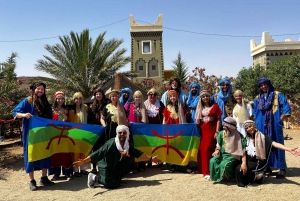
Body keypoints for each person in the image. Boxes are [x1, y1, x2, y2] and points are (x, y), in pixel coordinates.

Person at [73, 125, 161, 189]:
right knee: (111, 185)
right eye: (120, 132)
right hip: (105, 165)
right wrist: (84, 161)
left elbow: (138, 153)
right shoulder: (111, 143)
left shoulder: (127, 145)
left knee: (130, 163)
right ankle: (94, 177)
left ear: (127, 134)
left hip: (116, 164)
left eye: (124, 133)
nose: (122, 134)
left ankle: (116, 179)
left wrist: (151, 158)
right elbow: (98, 153)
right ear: (117, 134)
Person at [13, 82, 54, 191]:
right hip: (31, 135)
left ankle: (44, 178)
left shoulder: (46, 103)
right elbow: (15, 112)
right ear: (34, 89)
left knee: (45, 155)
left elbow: (49, 119)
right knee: (31, 156)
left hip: (44, 135)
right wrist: (24, 115)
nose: (40, 91)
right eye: (38, 89)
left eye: (42, 89)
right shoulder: (28, 101)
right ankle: (32, 181)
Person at [235, 120, 300, 187]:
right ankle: (257, 177)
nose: (249, 129)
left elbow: (275, 144)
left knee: (244, 171)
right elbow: (243, 152)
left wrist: (288, 149)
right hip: (248, 160)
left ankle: (259, 175)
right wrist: (244, 163)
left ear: (254, 126)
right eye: (247, 128)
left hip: (257, 161)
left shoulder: (262, 137)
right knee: (239, 169)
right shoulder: (246, 139)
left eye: (250, 126)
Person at [253, 77, 291, 179]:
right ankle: (267, 167)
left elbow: (286, 106)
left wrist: (280, 119)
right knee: (264, 145)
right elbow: (255, 111)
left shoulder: (277, 95)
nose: (263, 86)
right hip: (262, 125)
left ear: (268, 84)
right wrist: (256, 122)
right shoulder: (257, 98)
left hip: (274, 124)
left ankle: (282, 168)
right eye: (261, 85)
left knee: (278, 144)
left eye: (265, 84)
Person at [209, 117, 246, 182]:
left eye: (225, 126)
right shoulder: (221, 134)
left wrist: (244, 162)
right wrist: (217, 150)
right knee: (213, 161)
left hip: (233, 156)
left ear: (231, 127)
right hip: (222, 155)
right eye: (223, 125)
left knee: (224, 164)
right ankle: (216, 177)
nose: (223, 127)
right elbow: (218, 146)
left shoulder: (238, 136)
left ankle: (230, 177)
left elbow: (243, 151)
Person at [195, 90, 222, 179]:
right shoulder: (200, 108)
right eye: (203, 96)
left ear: (209, 97)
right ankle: (204, 170)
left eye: (207, 96)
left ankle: (210, 171)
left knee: (209, 149)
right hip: (202, 131)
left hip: (212, 130)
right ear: (201, 99)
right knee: (202, 149)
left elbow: (218, 119)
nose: (205, 98)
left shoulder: (215, 106)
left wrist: (217, 131)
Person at [163, 90, 191, 173]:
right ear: (169, 98)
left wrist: (184, 130)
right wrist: (164, 131)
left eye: (174, 96)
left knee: (180, 148)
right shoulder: (166, 107)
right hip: (170, 131)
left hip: (179, 131)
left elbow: (184, 119)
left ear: (177, 96)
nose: (172, 98)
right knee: (171, 149)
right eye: (171, 96)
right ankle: (171, 166)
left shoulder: (181, 107)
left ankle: (182, 167)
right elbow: (164, 120)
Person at [48, 91, 74, 181]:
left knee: (66, 153)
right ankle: (56, 173)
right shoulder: (51, 110)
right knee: (56, 154)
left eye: (62, 98)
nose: (60, 100)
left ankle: (68, 173)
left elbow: (70, 122)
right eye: (58, 98)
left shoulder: (67, 110)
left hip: (65, 135)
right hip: (54, 135)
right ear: (55, 99)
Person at [124, 90, 147, 172]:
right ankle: (133, 166)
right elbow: (123, 114)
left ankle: (141, 164)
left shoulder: (143, 107)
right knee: (132, 147)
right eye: (136, 97)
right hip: (131, 130)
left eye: (139, 97)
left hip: (140, 131)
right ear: (134, 97)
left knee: (140, 146)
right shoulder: (129, 105)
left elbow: (145, 120)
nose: (137, 98)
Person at [68, 92, 90, 177]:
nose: (78, 100)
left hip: (85, 132)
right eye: (76, 98)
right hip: (75, 133)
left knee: (83, 150)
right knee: (76, 151)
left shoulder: (86, 108)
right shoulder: (71, 110)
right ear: (74, 100)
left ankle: (83, 169)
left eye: (80, 98)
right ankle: (76, 170)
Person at [88, 88, 107, 174]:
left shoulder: (107, 104)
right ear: (95, 96)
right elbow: (89, 119)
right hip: (95, 131)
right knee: (95, 149)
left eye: (100, 94)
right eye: (97, 94)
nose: (98, 95)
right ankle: (94, 167)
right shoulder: (91, 106)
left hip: (104, 129)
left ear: (102, 95)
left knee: (104, 148)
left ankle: (103, 165)